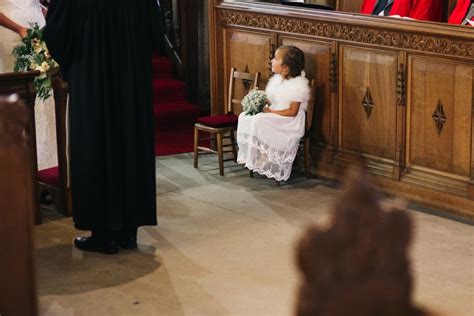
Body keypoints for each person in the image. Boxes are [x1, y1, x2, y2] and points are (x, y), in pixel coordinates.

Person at [43, 0, 163, 254]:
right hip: (132, 79)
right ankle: (129, 231)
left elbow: (56, 33)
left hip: (92, 77)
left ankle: (103, 234)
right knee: (131, 144)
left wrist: (70, 65)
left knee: (95, 145)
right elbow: (156, 27)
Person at [237, 45, 310, 182]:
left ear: (285, 68)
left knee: (259, 120)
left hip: (290, 121)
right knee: (245, 116)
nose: (271, 61)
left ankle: (265, 157)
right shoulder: (276, 80)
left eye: (276, 59)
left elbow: (292, 111)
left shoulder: (297, 85)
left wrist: (270, 112)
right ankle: (254, 155)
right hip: (278, 114)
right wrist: (258, 104)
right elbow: (272, 101)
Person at [0, 0, 58, 171]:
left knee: (44, 95)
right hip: (11, 33)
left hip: (38, 31)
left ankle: (47, 164)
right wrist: (18, 28)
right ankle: (20, 168)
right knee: (18, 99)